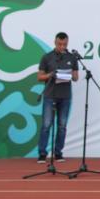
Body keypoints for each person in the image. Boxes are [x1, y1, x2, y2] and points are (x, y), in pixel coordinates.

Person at [36, 32, 79, 163]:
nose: (62, 47)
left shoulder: (72, 58)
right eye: (60, 44)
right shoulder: (47, 57)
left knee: (62, 126)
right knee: (46, 125)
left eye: (64, 44)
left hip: (65, 96)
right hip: (50, 95)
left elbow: (76, 78)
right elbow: (39, 77)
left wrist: (70, 74)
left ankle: (58, 153)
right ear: (55, 42)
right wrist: (50, 75)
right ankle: (42, 153)